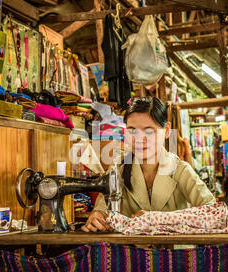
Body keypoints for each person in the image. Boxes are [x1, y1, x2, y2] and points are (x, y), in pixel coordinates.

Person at [81, 96, 216, 232]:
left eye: (149, 131)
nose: (139, 139)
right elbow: (102, 210)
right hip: (131, 251)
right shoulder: (118, 167)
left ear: (167, 130)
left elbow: (214, 213)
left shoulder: (180, 170)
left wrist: (156, 219)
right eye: (132, 130)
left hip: (175, 252)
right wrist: (97, 217)